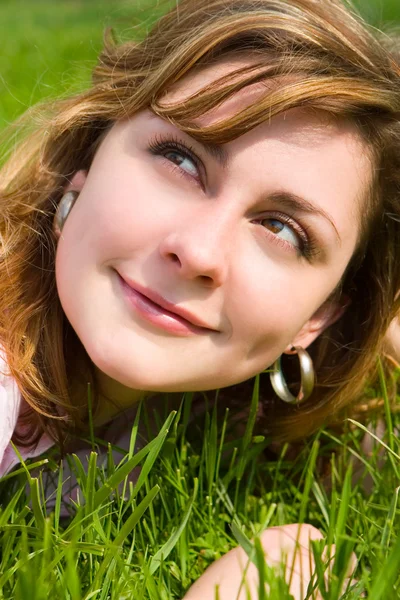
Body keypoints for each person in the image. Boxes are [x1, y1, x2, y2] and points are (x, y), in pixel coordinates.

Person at [1, 0, 400, 596]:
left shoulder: (208, 413)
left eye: (281, 229)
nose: (199, 252)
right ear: (84, 166)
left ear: (318, 316)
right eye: (180, 159)